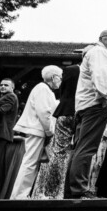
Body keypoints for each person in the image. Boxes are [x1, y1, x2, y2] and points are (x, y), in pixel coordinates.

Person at [65, 29, 107, 199]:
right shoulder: (100, 52)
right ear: (100, 39)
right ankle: (79, 190)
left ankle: (72, 190)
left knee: (81, 148)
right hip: (96, 105)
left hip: (85, 106)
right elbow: (100, 75)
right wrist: (106, 99)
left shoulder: (94, 53)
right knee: (87, 148)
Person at [31, 54, 84, 199]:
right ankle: (69, 190)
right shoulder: (91, 72)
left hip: (65, 112)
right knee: (79, 152)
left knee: (58, 152)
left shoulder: (71, 70)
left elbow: (64, 92)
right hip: (82, 113)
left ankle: (51, 192)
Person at [11, 66, 62, 199]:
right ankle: (19, 196)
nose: (61, 80)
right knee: (30, 163)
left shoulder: (45, 90)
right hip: (37, 129)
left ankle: (23, 194)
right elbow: (44, 112)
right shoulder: (42, 89)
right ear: (53, 77)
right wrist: (49, 131)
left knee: (32, 163)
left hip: (38, 130)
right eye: (60, 77)